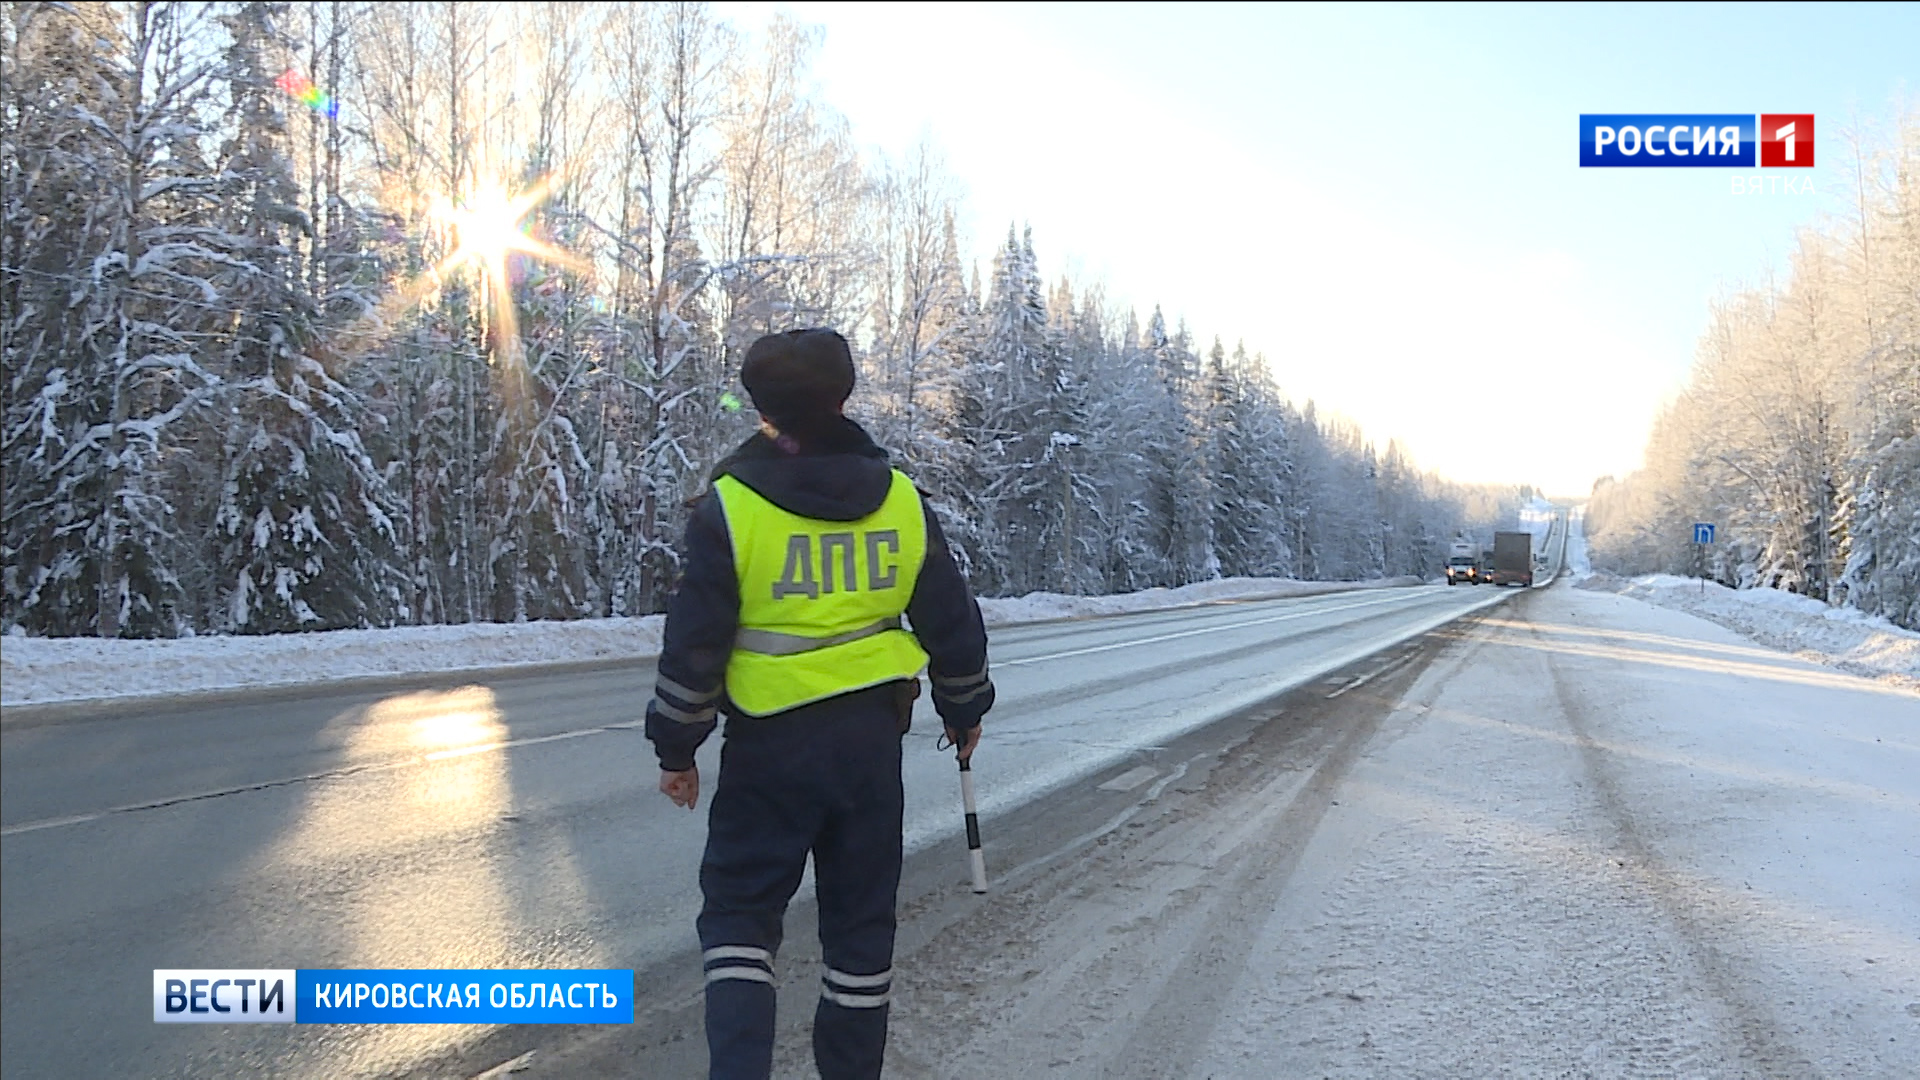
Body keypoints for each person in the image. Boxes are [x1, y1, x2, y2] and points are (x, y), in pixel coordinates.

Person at [645, 328, 995, 1080]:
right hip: (869, 752)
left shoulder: (731, 507)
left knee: (739, 920)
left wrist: (677, 749)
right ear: (845, 395)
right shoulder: (900, 500)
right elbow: (951, 621)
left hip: (768, 751)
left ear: (762, 407)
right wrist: (964, 711)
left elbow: (696, 642)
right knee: (860, 934)